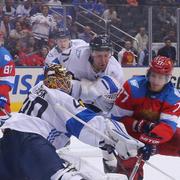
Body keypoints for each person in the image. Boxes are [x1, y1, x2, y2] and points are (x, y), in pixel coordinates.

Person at [0, 64, 144, 180]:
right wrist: (116, 139)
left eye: (64, 81)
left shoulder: (35, 89)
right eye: (58, 81)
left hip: (8, 140)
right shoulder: (59, 97)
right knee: (63, 176)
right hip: (32, 141)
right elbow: (86, 123)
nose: (63, 85)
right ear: (50, 82)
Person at [109, 56, 180, 179]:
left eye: (161, 77)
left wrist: (151, 142)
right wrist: (140, 125)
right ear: (148, 73)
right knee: (128, 163)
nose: (156, 81)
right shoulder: (132, 88)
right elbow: (117, 120)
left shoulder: (173, 96)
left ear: (168, 78)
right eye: (153, 75)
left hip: (156, 137)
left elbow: (168, 128)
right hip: (128, 135)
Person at [45, 34, 125, 113]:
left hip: (96, 107)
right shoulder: (77, 55)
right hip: (70, 98)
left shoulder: (115, 71)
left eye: (106, 55)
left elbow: (119, 102)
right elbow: (53, 65)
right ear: (91, 53)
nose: (103, 61)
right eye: (99, 56)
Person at [0, 31, 15, 125]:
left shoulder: (4, 56)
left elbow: (6, 81)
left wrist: (2, 97)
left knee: (6, 127)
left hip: (1, 98)